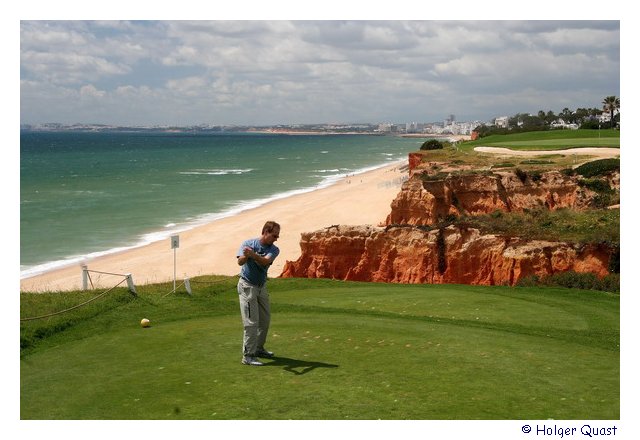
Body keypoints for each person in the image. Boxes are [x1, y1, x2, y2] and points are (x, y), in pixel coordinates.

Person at [236, 221, 281, 366]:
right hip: (247, 286)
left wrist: (252, 255)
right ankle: (248, 356)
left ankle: (259, 349)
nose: (276, 238)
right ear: (266, 232)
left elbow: (264, 262)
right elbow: (240, 262)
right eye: (274, 235)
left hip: (261, 287)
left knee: (265, 321)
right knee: (251, 323)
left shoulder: (274, 249)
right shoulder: (248, 243)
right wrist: (245, 255)